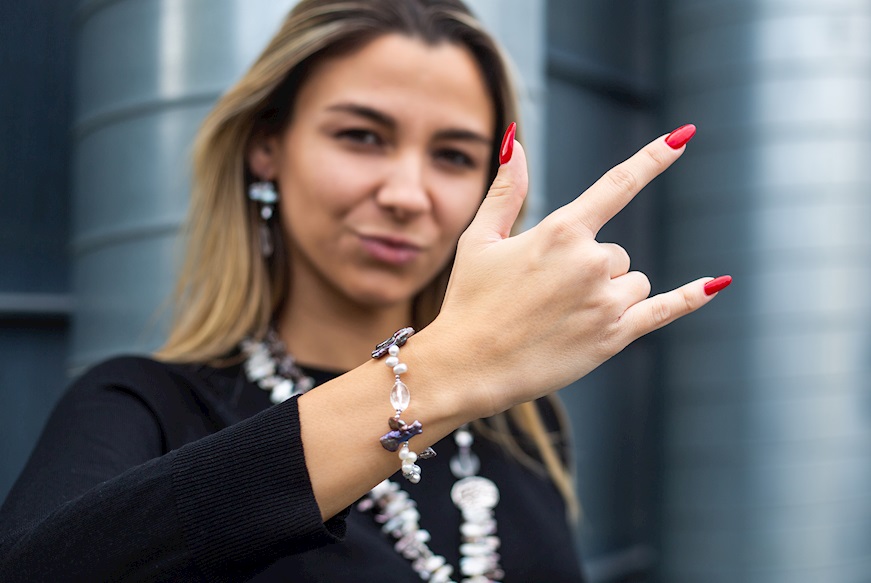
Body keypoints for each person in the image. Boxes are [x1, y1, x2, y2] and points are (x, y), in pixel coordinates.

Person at [0, 0, 731, 581]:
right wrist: (439, 373)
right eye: (361, 136)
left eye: (451, 154)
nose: (407, 193)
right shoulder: (143, 408)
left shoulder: (518, 427)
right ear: (267, 148)